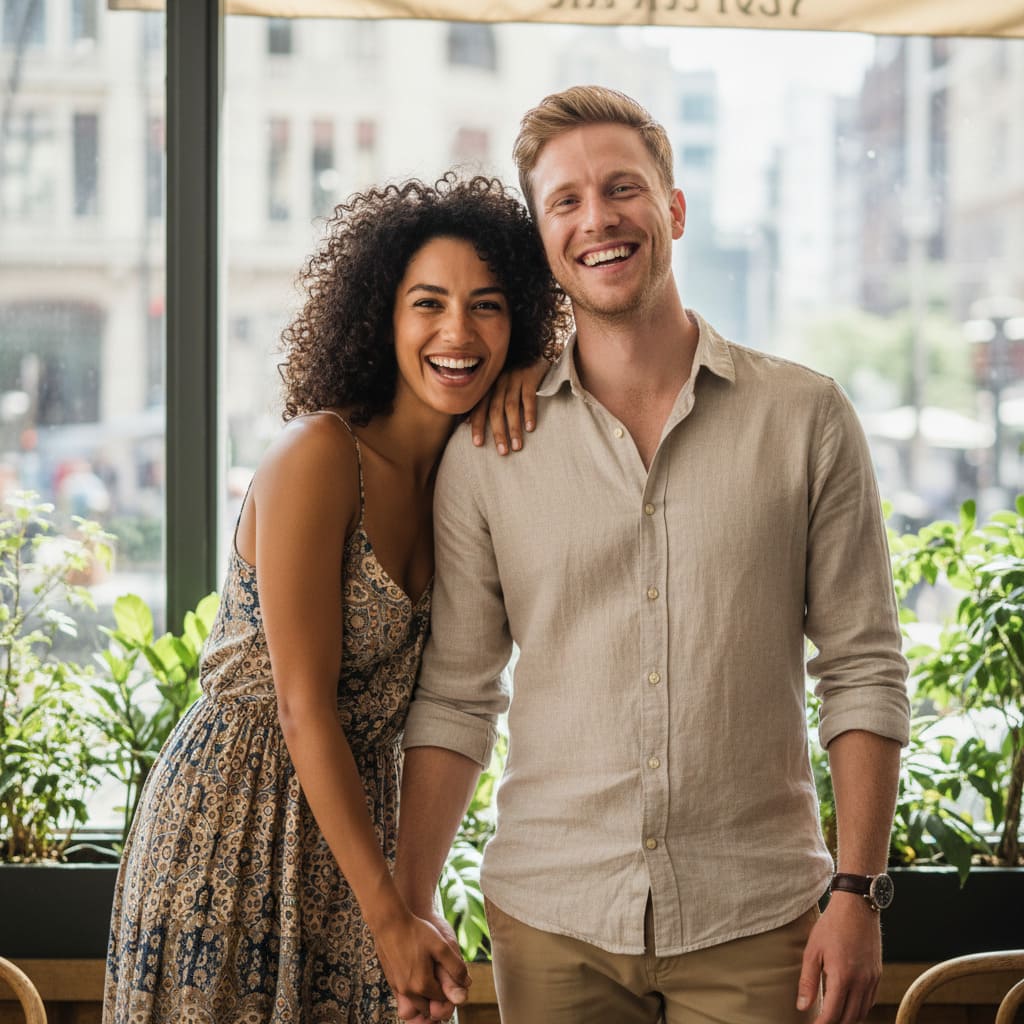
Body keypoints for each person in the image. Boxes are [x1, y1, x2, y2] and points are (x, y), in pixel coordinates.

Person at [394, 87, 911, 1024]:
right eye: (566, 201)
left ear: (673, 208)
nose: (598, 218)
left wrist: (858, 891)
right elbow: (459, 694)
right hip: (552, 922)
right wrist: (413, 899)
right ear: (546, 240)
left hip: (762, 922)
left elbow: (864, 667)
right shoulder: (488, 452)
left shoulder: (806, 418)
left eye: (622, 188)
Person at [103, 173, 566, 1024]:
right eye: (427, 303)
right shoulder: (320, 454)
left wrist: (544, 366)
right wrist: (389, 916)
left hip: (361, 833)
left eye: (490, 306)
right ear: (380, 317)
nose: (457, 332)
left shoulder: (473, 475)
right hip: (236, 823)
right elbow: (300, 703)